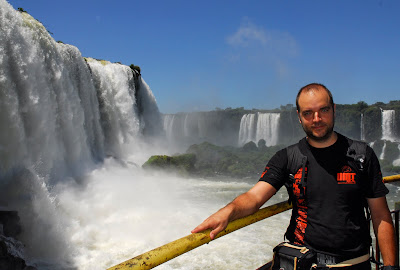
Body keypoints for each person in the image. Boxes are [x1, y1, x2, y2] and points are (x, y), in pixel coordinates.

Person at [191, 83, 397, 270]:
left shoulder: (361, 155)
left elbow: (380, 215)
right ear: (299, 116)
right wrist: (227, 212)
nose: (316, 119)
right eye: (308, 113)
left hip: (352, 263)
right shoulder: (288, 158)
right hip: (302, 260)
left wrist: (389, 266)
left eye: (323, 110)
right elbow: (254, 197)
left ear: (334, 110)